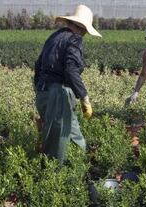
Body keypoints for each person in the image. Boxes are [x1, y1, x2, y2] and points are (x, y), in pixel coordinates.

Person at [34, 4, 101, 164]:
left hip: (44, 92)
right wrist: (84, 97)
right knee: (57, 146)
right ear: (82, 28)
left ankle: (79, 170)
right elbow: (71, 70)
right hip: (59, 95)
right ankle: (54, 180)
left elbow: (38, 65)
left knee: (75, 137)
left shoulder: (54, 37)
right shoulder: (74, 39)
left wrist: (41, 92)